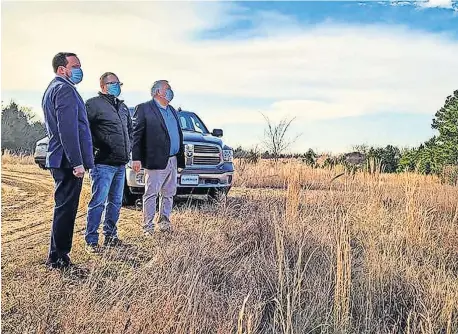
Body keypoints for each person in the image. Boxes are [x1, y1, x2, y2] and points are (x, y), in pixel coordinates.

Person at [42, 52, 94, 269]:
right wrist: (77, 162)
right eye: (76, 65)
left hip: (60, 158)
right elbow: (68, 130)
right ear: (62, 69)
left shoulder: (53, 88)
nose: (80, 69)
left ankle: (56, 255)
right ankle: (59, 258)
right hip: (67, 160)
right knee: (66, 209)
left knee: (63, 207)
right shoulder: (65, 90)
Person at [84, 72, 133, 253]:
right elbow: (84, 129)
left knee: (116, 202)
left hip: (120, 164)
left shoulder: (123, 107)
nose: (117, 86)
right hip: (102, 163)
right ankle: (91, 240)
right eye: (114, 83)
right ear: (103, 86)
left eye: (119, 83)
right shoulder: (93, 104)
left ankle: (111, 236)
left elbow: (130, 131)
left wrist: (128, 150)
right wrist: (94, 151)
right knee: (98, 201)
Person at [132, 80, 185, 234]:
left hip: (173, 159)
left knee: (169, 193)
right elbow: (137, 135)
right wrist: (136, 158)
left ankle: (164, 223)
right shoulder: (144, 108)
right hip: (155, 160)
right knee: (151, 193)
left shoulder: (172, 110)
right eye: (167, 89)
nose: (170, 91)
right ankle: (147, 227)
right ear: (158, 92)